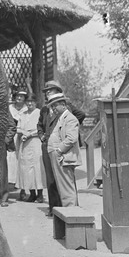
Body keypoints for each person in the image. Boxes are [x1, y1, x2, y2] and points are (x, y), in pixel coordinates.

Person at [37, 80, 85, 216]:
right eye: (46, 92)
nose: (47, 93)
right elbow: (40, 125)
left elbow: (71, 134)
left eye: (50, 91)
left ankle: (71, 212)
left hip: (61, 152)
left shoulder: (68, 113)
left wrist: (60, 148)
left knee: (66, 184)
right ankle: (56, 209)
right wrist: (42, 136)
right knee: (52, 180)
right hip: (49, 147)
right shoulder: (45, 109)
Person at [46, 92, 81, 207]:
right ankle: (69, 214)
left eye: (55, 105)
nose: (53, 109)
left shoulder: (70, 119)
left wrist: (59, 151)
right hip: (59, 157)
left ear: (63, 105)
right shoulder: (61, 118)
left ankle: (72, 214)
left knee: (67, 189)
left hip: (63, 158)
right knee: (63, 189)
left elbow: (71, 138)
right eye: (52, 106)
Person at [16, 93, 46, 203]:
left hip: (35, 142)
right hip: (25, 143)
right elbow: (18, 128)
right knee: (26, 169)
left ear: (35, 102)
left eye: (31, 102)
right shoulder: (23, 114)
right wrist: (23, 133)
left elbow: (41, 128)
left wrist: (29, 134)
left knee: (37, 168)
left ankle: (40, 194)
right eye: (27, 102)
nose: (29, 103)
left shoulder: (39, 113)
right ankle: (32, 194)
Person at [8, 87, 28, 198]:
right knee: (10, 161)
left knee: (23, 162)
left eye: (22, 97)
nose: (19, 98)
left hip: (23, 137)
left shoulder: (27, 109)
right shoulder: (10, 108)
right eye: (17, 96)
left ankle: (23, 190)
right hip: (11, 137)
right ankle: (6, 188)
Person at [0, 109, 18, 207]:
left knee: (2, 172)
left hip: (0, 145)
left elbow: (12, 126)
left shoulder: (3, 109)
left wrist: (5, 141)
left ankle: (4, 197)